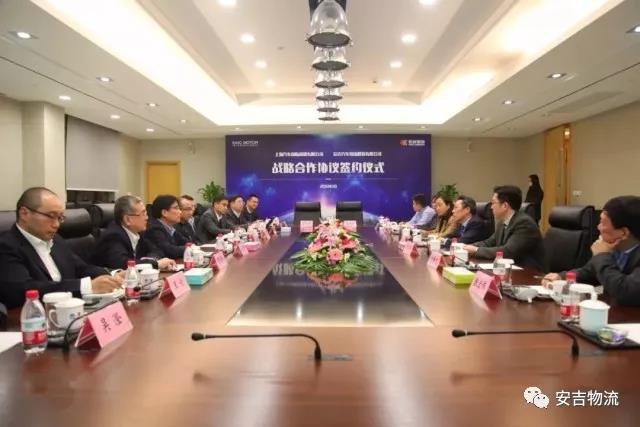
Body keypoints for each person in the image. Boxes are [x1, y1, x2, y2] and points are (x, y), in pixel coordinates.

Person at [0, 187, 122, 309]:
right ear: (24, 213)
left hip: (71, 310)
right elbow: (24, 290)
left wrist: (114, 275)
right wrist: (86, 286)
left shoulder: (56, 240)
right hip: (34, 315)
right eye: (51, 216)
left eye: (60, 218)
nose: (56, 224)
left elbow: (80, 268)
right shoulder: (7, 246)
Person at [542, 196, 640, 306]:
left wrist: (602, 255)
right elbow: (588, 273)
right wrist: (562, 277)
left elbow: (625, 291)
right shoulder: (615, 247)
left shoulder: (607, 251)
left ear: (624, 233)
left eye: (603, 223)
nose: (598, 227)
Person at [464, 185, 546, 271]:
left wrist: (476, 250)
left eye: (493, 203)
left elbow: (508, 252)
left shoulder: (524, 223)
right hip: (510, 270)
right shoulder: (503, 222)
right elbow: (489, 242)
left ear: (505, 206)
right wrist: (469, 247)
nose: (491, 207)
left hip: (528, 273)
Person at [92, 195, 175, 271]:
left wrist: (151, 259)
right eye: (143, 214)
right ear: (127, 219)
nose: (147, 218)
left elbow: (157, 250)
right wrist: (155, 264)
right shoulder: (113, 236)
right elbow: (123, 264)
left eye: (146, 213)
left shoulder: (138, 232)